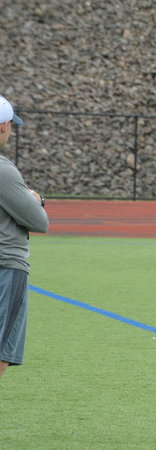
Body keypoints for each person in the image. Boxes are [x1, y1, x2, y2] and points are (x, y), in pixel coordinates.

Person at [0, 95, 49, 378]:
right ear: (4, 125)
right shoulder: (4, 170)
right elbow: (38, 221)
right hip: (6, 266)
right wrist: (36, 199)